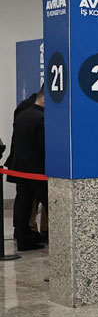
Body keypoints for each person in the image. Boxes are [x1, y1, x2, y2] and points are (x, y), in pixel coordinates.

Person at [8, 90, 45, 250]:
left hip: (20, 167)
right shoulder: (42, 117)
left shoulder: (23, 114)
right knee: (49, 202)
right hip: (36, 169)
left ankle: (23, 238)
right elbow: (43, 146)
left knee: (23, 203)